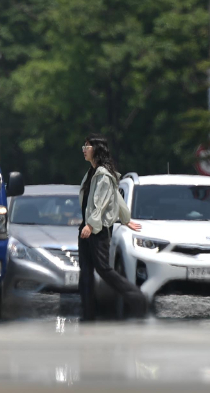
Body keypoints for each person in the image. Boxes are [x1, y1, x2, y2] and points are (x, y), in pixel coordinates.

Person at [79, 134, 146, 321]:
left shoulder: (103, 174)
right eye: (83, 146)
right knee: (85, 271)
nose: (84, 150)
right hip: (86, 227)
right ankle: (87, 313)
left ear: (97, 150)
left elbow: (100, 202)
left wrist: (91, 225)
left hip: (97, 230)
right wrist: (125, 218)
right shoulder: (92, 173)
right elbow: (117, 197)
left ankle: (136, 297)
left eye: (88, 146)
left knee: (103, 269)